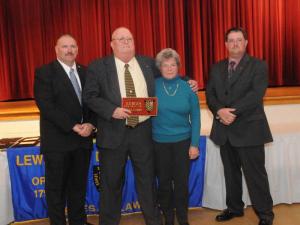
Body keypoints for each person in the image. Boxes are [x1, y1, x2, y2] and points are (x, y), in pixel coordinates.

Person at [83, 27, 198, 225]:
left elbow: (169, 71)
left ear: (134, 42)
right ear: (112, 44)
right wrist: (112, 110)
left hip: (143, 134)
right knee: (111, 185)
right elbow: (90, 96)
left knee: (147, 184)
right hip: (113, 133)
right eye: (121, 39)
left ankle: (154, 222)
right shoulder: (98, 66)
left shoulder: (147, 63)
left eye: (129, 38)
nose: (126, 42)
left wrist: (189, 81)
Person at [206, 27, 274, 225]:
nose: (235, 44)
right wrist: (219, 111)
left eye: (239, 40)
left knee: (255, 175)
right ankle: (235, 208)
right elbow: (210, 94)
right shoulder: (216, 67)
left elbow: (256, 95)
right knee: (231, 173)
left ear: (245, 43)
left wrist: (230, 113)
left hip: (249, 130)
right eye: (231, 40)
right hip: (224, 130)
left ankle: (265, 214)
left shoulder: (258, 65)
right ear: (226, 44)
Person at [34, 34, 95, 225]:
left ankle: (78, 222)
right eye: (65, 46)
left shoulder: (86, 72)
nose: (69, 50)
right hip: (58, 143)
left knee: (78, 188)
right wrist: (73, 126)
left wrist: (92, 124)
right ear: (56, 49)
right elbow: (46, 105)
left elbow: (93, 103)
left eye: (73, 46)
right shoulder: (44, 72)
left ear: (77, 49)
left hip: (83, 141)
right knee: (56, 190)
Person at [152, 48, 200, 225]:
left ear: (178, 66)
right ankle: (168, 219)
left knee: (181, 184)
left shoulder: (188, 87)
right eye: (165, 65)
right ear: (160, 67)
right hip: (159, 144)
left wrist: (194, 144)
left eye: (173, 65)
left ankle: (183, 218)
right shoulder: (152, 86)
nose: (170, 68)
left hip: (183, 143)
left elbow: (195, 117)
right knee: (164, 184)